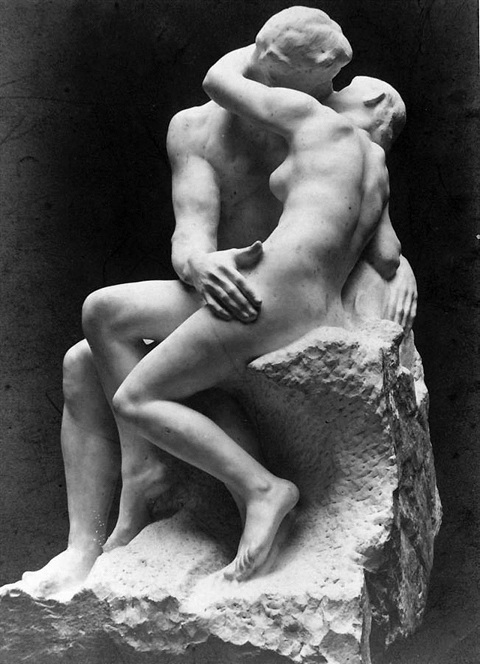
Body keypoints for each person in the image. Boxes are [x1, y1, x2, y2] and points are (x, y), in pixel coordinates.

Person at [2, 7, 415, 598]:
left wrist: (396, 277)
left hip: (270, 302)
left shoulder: (313, 121)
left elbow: (381, 249)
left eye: (343, 87)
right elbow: (193, 229)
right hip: (244, 290)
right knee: (87, 347)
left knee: (130, 389)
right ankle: (94, 533)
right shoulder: (207, 128)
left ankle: (227, 487)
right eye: (331, 79)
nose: (337, 90)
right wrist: (199, 262)